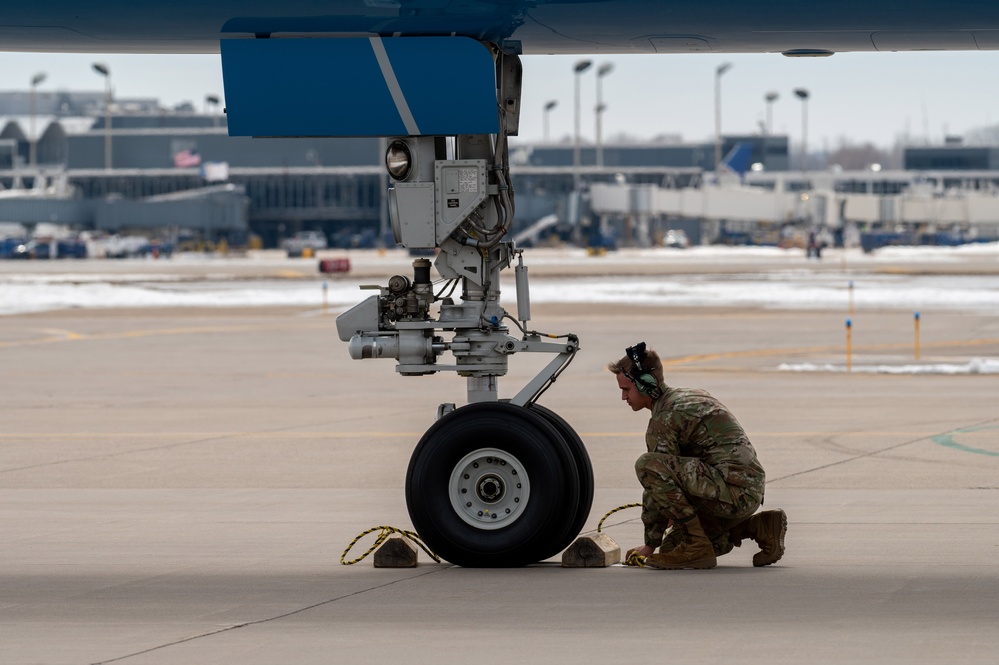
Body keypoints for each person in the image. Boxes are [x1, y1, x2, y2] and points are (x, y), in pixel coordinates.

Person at [608, 342, 786, 570]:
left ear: (646, 386)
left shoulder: (664, 420)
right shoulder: (686, 395)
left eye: (626, 390)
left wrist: (649, 545)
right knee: (672, 549)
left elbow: (656, 477)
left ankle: (696, 546)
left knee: (647, 465)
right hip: (744, 490)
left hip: (732, 492)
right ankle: (758, 526)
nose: (624, 397)